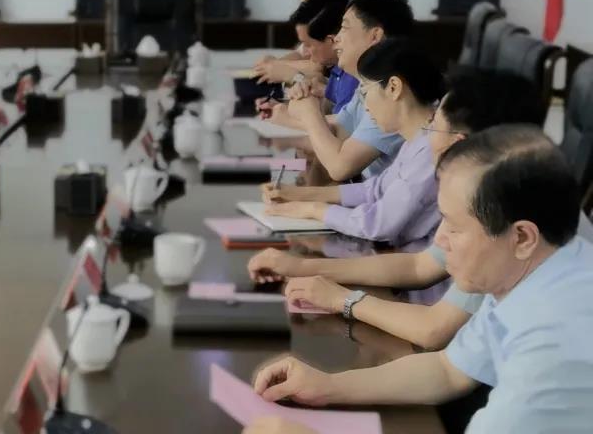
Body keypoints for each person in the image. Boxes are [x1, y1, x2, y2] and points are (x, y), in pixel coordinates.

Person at [251, 126, 593, 433]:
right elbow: (448, 370)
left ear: (522, 237)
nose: (440, 240)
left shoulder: (553, 344)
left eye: (454, 227)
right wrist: (328, 386)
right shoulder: (536, 268)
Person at [248, 70, 548, 349]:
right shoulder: (492, 190)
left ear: (458, 145)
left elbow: (434, 329)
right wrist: (302, 268)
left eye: (433, 125)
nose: (426, 136)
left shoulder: (501, 219)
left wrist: (342, 299)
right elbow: (419, 266)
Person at [262, 39, 445, 246]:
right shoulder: (417, 139)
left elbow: (377, 224)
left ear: (394, 87)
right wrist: (299, 194)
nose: (365, 107)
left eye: (365, 92)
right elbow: (375, 189)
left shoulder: (431, 148)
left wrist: (312, 209)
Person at [268, 0, 412, 180]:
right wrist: (289, 115)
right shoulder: (367, 85)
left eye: (344, 28)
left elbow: (340, 167)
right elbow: (337, 130)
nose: (336, 38)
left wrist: (308, 111)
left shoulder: (392, 94)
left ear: (375, 35)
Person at [251, 0, 351, 84]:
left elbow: (316, 69)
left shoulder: (349, 56)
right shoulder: (318, 38)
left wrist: (287, 71)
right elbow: (301, 54)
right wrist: (273, 66)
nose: (303, 9)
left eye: (307, 3)